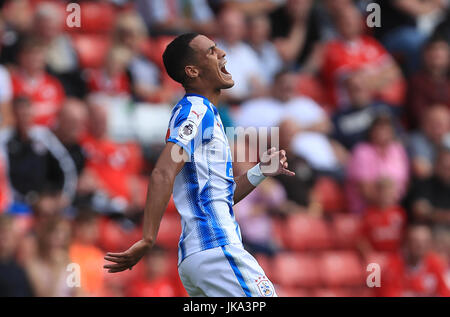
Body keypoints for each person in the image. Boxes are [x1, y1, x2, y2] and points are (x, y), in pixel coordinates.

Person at [104, 33, 295, 297]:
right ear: (192, 70)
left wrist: (259, 171)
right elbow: (162, 171)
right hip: (216, 248)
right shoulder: (196, 111)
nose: (222, 54)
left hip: (197, 257)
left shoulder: (207, 115)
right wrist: (148, 237)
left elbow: (219, 197)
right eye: (211, 51)